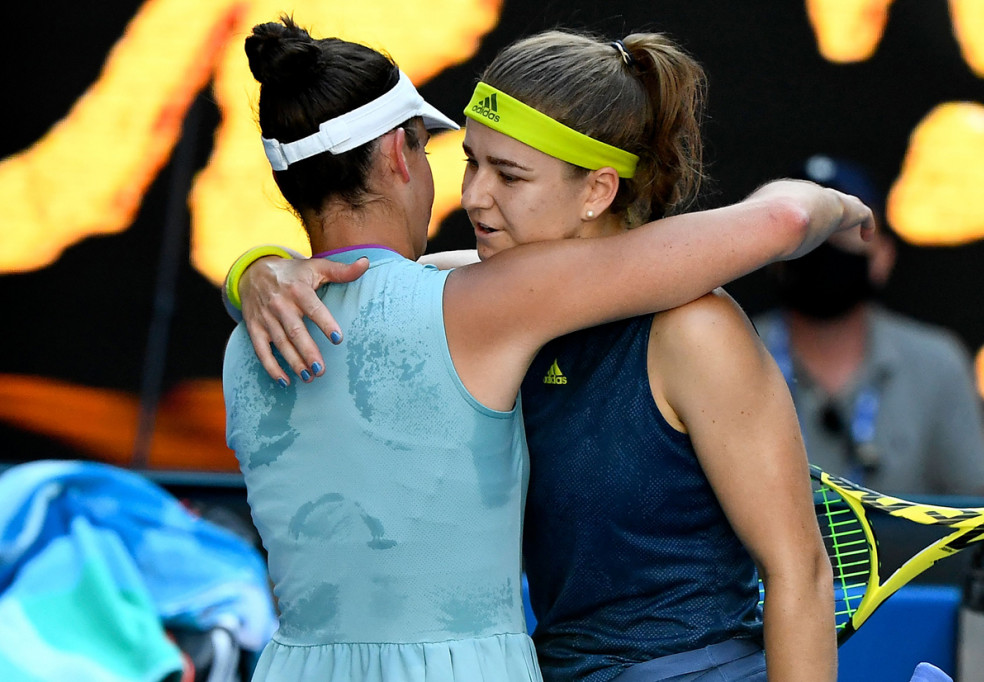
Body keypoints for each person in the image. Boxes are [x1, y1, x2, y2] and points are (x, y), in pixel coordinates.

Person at [225, 26, 871, 682]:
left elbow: (801, 574)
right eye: (470, 162)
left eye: (508, 174)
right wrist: (257, 271)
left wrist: (838, 206)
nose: (474, 196)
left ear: (596, 190)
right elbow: (359, 284)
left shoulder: (694, 330)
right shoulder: (465, 302)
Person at [754, 155, 984, 497]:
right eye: (806, 228)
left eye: (843, 227)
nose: (824, 246)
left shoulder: (937, 362)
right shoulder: (729, 354)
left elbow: (979, 515)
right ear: (772, 253)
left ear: (884, 255)